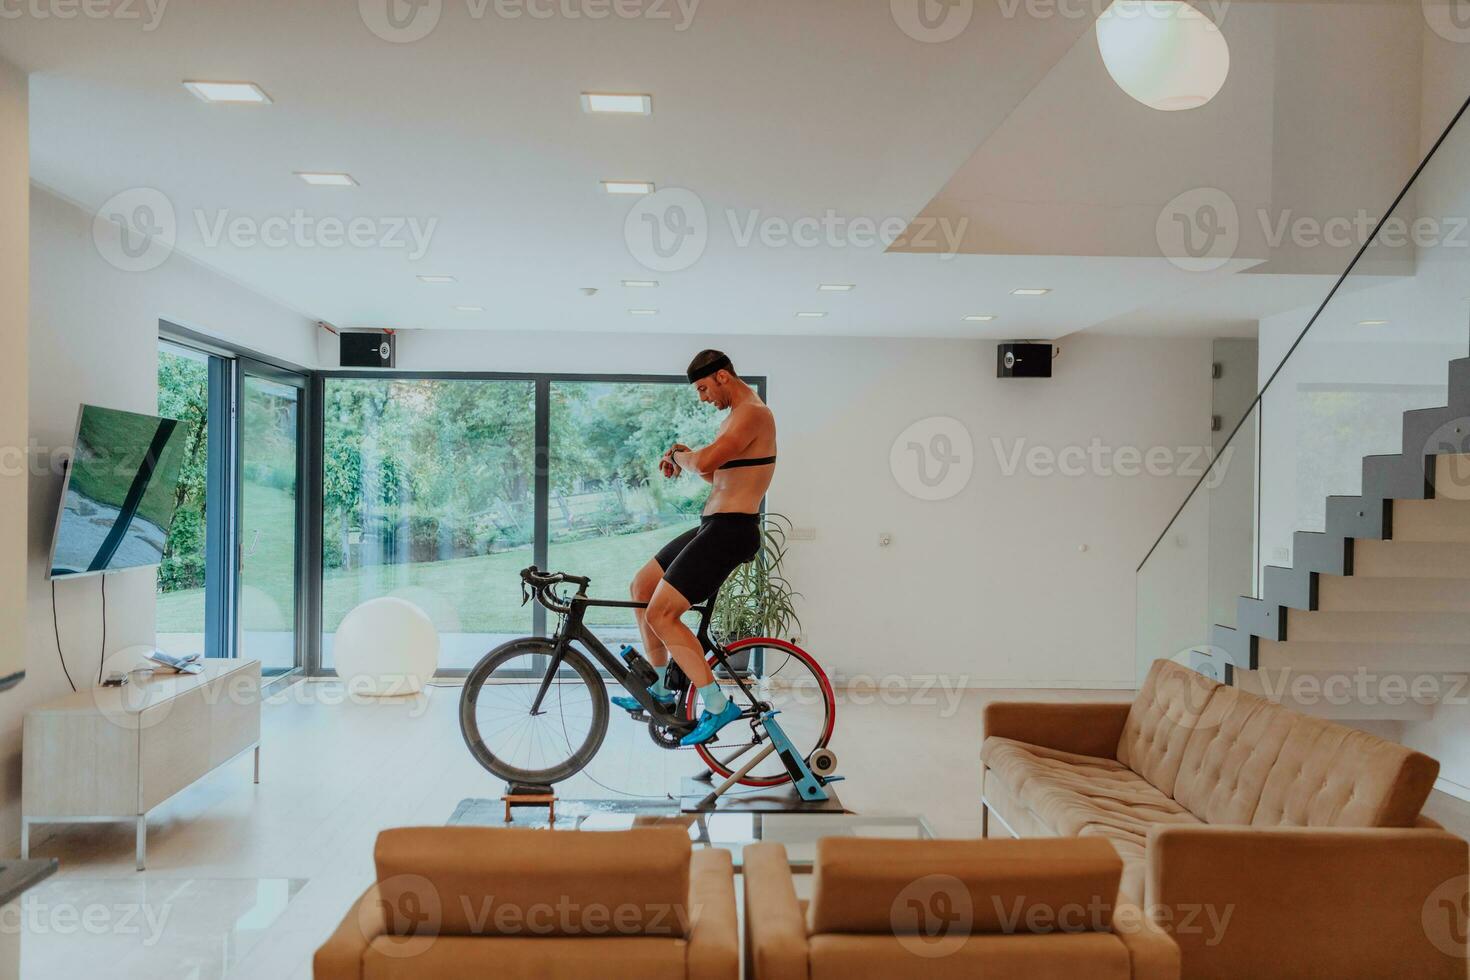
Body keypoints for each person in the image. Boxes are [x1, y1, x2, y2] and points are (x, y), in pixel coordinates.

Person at [610, 349, 777, 746]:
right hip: (713, 524)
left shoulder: (754, 412)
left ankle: (718, 705)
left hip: (732, 530)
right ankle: (662, 692)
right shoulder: (734, 419)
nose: (702, 397)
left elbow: (703, 464)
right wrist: (683, 455)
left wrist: (682, 455)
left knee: (662, 615)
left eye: (703, 388)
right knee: (642, 587)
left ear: (722, 376)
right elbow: (717, 479)